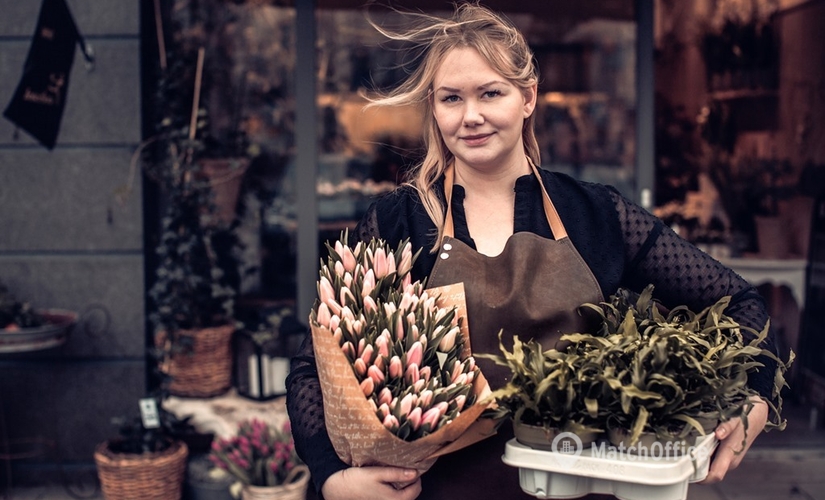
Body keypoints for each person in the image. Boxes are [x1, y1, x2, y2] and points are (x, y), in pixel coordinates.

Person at [286, 4, 778, 499]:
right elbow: (315, 365)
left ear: (528, 97)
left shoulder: (597, 215)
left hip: (580, 487)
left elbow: (741, 303)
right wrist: (333, 476)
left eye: (491, 93)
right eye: (451, 98)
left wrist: (753, 397)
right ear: (433, 109)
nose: (471, 116)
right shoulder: (400, 220)